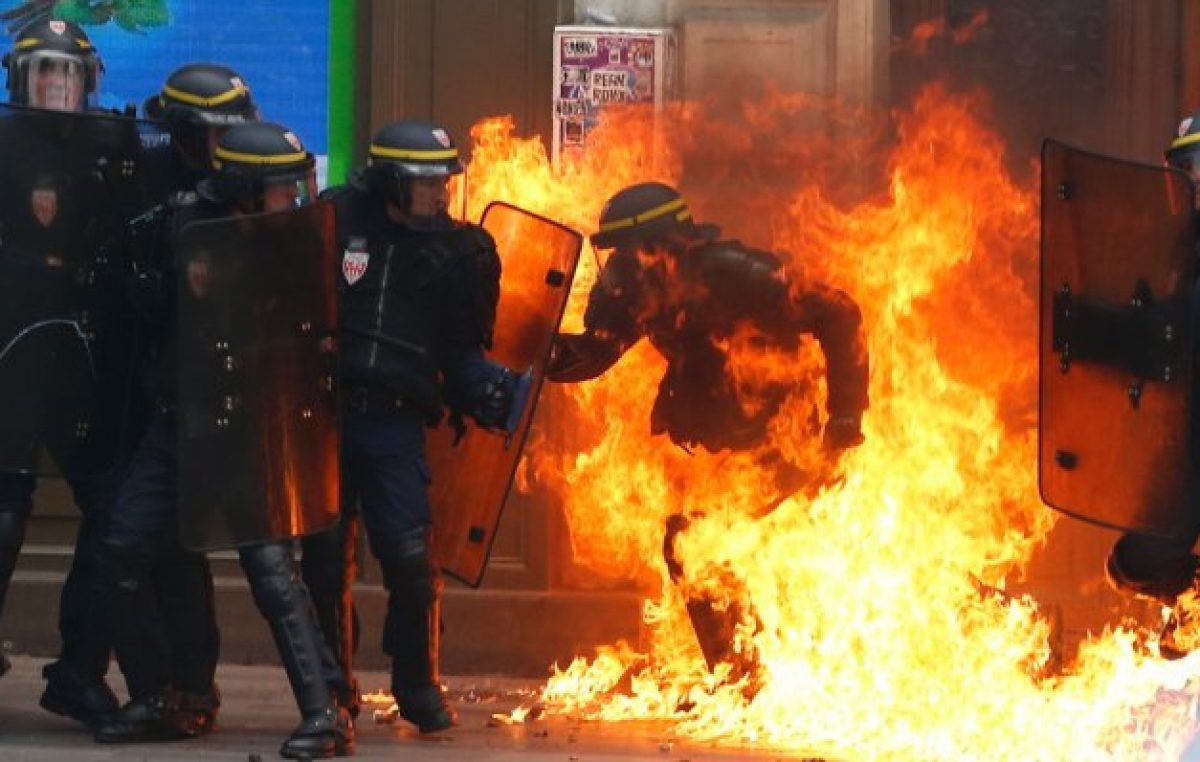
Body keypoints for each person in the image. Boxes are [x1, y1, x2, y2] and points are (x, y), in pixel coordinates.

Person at [89, 122, 354, 758]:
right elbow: (142, 311)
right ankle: (159, 694)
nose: (290, 199)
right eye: (278, 189)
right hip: (178, 419)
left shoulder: (289, 239)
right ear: (242, 186)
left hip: (248, 422)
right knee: (118, 551)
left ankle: (327, 714)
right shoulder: (181, 226)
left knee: (271, 572)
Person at [546, 181, 869, 679]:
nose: (615, 265)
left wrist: (845, 417)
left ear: (657, 244)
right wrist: (532, 348)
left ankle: (744, 676)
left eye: (623, 251)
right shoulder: (642, 290)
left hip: (782, 437)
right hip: (723, 448)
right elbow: (597, 351)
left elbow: (841, 312)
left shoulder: (734, 274)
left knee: (691, 541)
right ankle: (749, 673)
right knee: (700, 546)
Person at [325, 118, 524, 733]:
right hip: (324, 420)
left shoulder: (462, 253)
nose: (441, 193)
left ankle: (417, 684)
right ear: (391, 181)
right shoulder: (333, 222)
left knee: (411, 560)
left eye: (446, 180)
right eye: (427, 183)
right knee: (324, 564)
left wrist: (487, 389)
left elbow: (460, 350)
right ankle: (331, 693)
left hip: (394, 425)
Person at [0, 18, 124, 729]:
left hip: (84, 357)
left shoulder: (113, 147)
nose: (57, 83)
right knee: (5, 514)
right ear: (22, 79)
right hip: (10, 349)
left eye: (69, 72)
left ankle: (79, 672)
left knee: (116, 511)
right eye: (44, 70)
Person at [1103, 110, 1200, 657]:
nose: (1194, 180)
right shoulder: (1181, 256)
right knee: (1134, 563)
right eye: (1185, 169)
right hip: (1188, 442)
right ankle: (1194, 604)